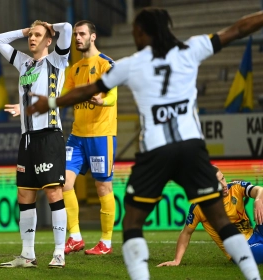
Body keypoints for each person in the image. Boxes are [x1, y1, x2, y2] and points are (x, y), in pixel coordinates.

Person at [27, 7, 263, 280]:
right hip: (191, 149)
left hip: (156, 152)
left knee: (132, 222)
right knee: (220, 219)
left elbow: (88, 90)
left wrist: (51, 102)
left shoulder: (132, 63)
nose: (133, 35)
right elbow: (237, 29)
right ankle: (253, 277)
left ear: (143, 33)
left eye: (135, 31)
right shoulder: (192, 48)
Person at [0, 20, 72, 268]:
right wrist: (24, 30)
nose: (32, 38)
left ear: (49, 40)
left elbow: (67, 28)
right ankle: (27, 254)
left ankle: (59, 252)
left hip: (48, 135)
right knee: (24, 194)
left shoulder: (57, 61)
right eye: (31, 35)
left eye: (38, 35)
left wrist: (48, 25)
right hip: (26, 138)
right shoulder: (24, 62)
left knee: (53, 192)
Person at [62, 20, 117, 255]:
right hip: (77, 135)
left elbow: (114, 95)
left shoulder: (107, 64)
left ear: (93, 37)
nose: (77, 38)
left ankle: (106, 242)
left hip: (100, 135)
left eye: (82, 34)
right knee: (63, 182)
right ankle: (75, 236)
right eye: (75, 34)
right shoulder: (74, 69)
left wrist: (102, 101)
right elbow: (64, 97)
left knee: (103, 186)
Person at [157, 167, 263, 266]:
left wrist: (258, 200)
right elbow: (186, 233)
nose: (224, 184)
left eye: (223, 178)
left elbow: (259, 190)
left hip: (256, 234)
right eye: (218, 183)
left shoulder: (235, 187)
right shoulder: (200, 206)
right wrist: (176, 260)